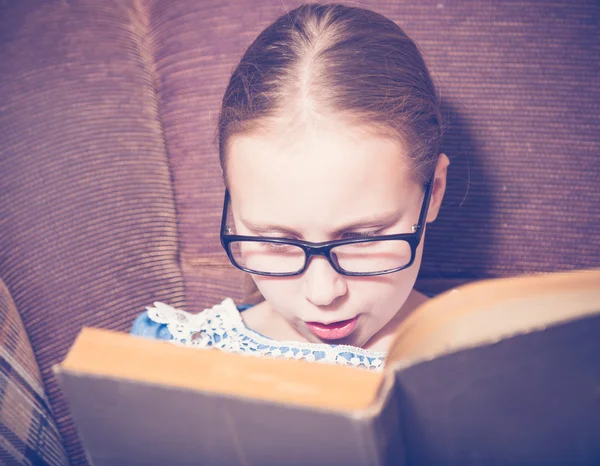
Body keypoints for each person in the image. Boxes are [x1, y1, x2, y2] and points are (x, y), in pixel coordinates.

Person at [131, 3, 449, 370]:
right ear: (233, 212)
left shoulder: (497, 365)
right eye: (274, 242)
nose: (323, 293)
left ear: (434, 191)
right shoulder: (171, 352)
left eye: (362, 237)